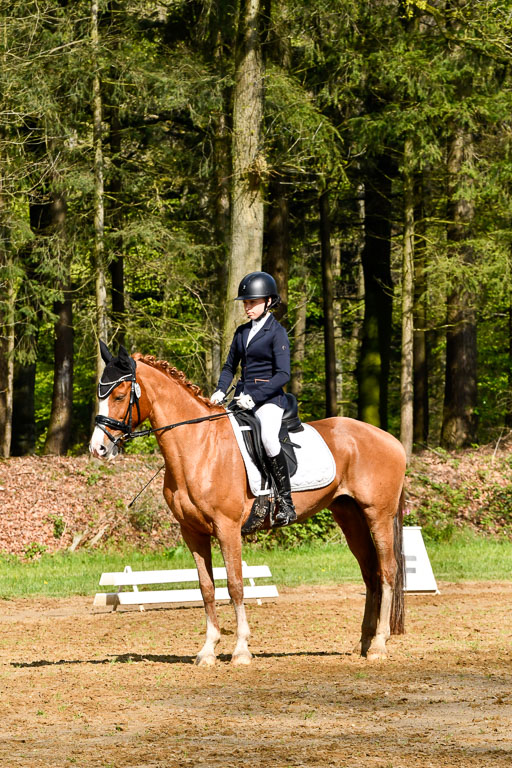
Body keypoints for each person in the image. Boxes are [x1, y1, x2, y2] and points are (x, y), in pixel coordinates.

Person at [211, 271, 297, 527]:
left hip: (269, 400)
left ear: (268, 301)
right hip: (240, 399)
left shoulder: (276, 332)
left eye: (252, 302)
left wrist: (256, 396)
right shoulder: (241, 332)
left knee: (268, 438)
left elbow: (283, 374)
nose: (247, 307)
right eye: (246, 303)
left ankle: (286, 501)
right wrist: (220, 389)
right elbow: (229, 367)